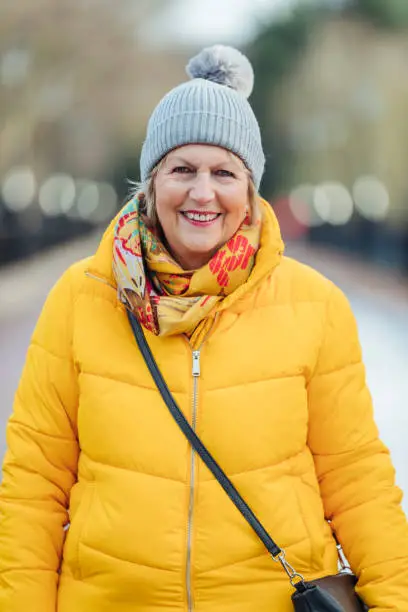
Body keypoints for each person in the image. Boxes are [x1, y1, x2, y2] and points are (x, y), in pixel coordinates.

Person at [0, 45, 407, 612]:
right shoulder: (80, 297)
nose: (202, 193)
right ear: (150, 183)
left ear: (249, 191)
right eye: (182, 170)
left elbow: (357, 479)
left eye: (224, 173)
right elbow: (33, 487)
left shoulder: (314, 304)